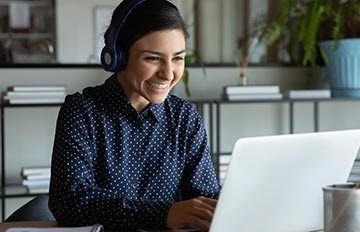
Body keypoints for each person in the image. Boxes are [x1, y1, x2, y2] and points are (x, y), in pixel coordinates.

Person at [48, 0, 220, 231]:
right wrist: (163, 214)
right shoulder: (82, 112)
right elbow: (68, 201)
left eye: (177, 58)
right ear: (118, 56)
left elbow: (206, 198)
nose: (168, 73)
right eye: (153, 58)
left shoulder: (185, 118)